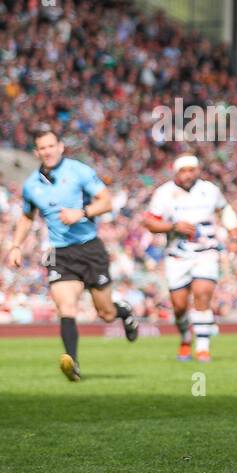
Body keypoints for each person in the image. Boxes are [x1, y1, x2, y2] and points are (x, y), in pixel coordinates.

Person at [6, 125, 139, 380]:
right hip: (59, 251)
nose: (47, 151)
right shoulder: (32, 185)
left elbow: (106, 201)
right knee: (66, 306)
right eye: (42, 148)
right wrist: (15, 246)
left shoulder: (79, 171)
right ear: (37, 152)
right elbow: (26, 217)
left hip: (90, 248)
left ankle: (124, 312)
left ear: (60, 147)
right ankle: (72, 364)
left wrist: (83, 212)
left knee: (106, 313)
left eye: (51, 146)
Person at [142, 154, 237, 361]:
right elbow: (150, 223)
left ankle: (203, 347)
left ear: (197, 171)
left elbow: (225, 210)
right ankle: (186, 337)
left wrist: (233, 233)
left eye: (191, 170)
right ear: (175, 172)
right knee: (179, 306)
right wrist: (173, 226)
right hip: (177, 255)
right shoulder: (164, 193)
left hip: (206, 252)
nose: (187, 175)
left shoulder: (210, 190)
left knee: (202, 294)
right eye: (183, 171)